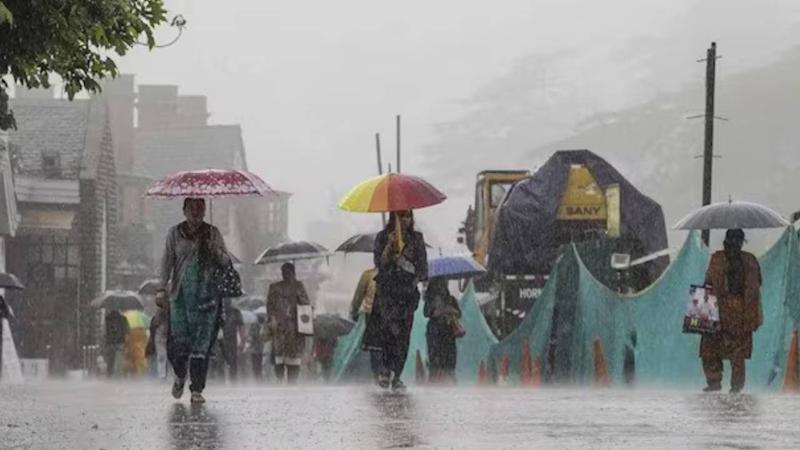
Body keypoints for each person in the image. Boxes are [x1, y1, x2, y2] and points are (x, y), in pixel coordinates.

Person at [157, 197, 231, 404]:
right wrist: (161, 288)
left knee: (202, 344)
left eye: (201, 208)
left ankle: (197, 388)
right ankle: (180, 375)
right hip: (180, 297)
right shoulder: (174, 234)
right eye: (192, 208)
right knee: (178, 345)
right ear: (184, 210)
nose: (197, 213)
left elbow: (226, 262)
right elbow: (166, 262)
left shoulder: (213, 233)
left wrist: (215, 251)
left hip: (207, 298)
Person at [363, 210, 428, 391]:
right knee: (386, 333)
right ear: (394, 218)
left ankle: (396, 375)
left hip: (406, 296)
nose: (405, 220)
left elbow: (422, 269)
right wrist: (389, 247)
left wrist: (411, 277)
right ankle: (384, 371)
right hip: (387, 294)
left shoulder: (416, 239)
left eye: (408, 216)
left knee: (403, 337)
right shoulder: (383, 237)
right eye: (401, 216)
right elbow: (379, 264)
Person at [700, 229, 762, 393]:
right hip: (733, 310)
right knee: (731, 349)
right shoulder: (747, 260)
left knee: (716, 347)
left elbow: (708, 282)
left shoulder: (721, 259)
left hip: (725, 309)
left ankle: (718, 382)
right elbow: (755, 288)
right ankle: (732, 385)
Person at [267, 262, 310, 384]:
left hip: (292, 328)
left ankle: (288, 381)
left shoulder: (296, 287)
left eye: (288, 272)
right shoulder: (276, 288)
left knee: (289, 357)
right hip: (284, 328)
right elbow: (269, 308)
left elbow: (305, 306)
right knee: (282, 356)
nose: (286, 275)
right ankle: (284, 380)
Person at [424, 277, 462, 383]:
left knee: (449, 362)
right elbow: (427, 313)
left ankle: (449, 380)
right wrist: (440, 311)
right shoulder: (430, 301)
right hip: (435, 333)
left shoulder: (451, 299)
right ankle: (435, 380)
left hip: (447, 332)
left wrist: (451, 310)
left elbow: (459, 313)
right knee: (436, 361)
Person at [221, 302, 246, 381]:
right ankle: (219, 381)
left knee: (232, 364)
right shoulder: (216, 309)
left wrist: (243, 341)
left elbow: (241, 327)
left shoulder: (235, 312)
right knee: (219, 364)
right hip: (219, 341)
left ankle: (233, 382)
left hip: (231, 341)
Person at [146, 298, 170, 380]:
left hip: (160, 338)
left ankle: (162, 374)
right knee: (163, 356)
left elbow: (152, 328)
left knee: (161, 356)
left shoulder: (156, 318)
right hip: (162, 339)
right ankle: (162, 374)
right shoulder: (167, 317)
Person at [104, 309, 129, 378]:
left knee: (110, 360)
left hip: (110, 342)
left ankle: (109, 374)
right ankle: (120, 375)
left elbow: (105, 330)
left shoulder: (107, 318)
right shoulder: (123, 318)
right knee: (120, 360)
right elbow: (127, 330)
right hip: (120, 342)